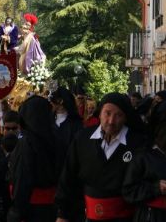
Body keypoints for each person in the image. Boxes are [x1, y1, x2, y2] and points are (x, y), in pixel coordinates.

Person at [55, 92, 146, 222]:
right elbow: (68, 177)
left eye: (118, 115)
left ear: (126, 117)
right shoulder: (83, 139)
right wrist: (62, 214)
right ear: (100, 113)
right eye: (107, 113)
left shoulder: (137, 144)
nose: (111, 121)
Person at [49, 87, 84, 178]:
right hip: (50, 169)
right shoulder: (48, 120)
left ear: (60, 101)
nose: (51, 103)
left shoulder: (76, 123)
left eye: (53, 100)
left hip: (68, 171)